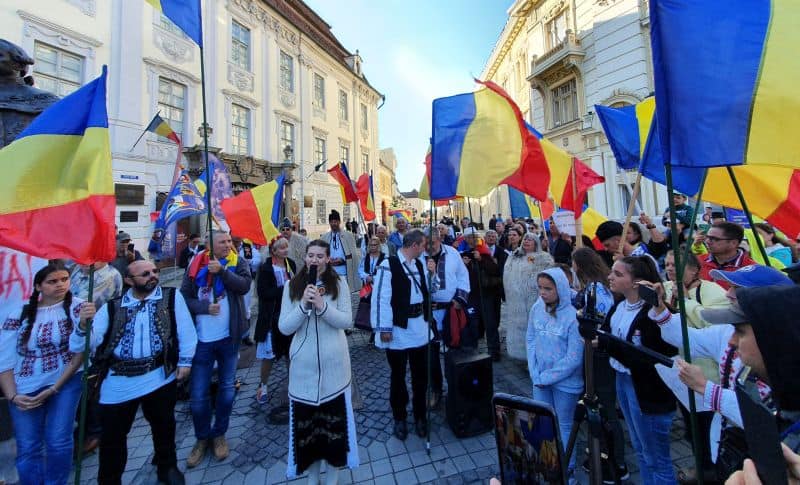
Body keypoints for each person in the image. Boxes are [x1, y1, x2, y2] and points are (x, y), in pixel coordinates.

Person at [648, 264, 793, 483]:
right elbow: (689, 339)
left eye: (736, 288)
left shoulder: (782, 353)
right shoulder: (727, 331)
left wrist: (705, 388)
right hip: (727, 441)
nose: (727, 293)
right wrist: (660, 308)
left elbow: (763, 413)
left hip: (769, 455)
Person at [70, 260, 197, 485]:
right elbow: (84, 344)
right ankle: (110, 479)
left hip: (159, 375)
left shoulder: (170, 297)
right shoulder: (112, 307)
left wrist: (185, 362)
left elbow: (186, 330)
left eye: (155, 272)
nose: (153, 276)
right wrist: (83, 326)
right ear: (129, 280)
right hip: (119, 382)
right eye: (145, 274)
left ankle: (167, 466)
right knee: (113, 438)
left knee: (164, 426)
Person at [0, 263, 88, 485]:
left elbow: (84, 349)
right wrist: (12, 395)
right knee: (28, 445)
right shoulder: (19, 313)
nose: (60, 285)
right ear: (38, 286)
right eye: (52, 281)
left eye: (64, 279)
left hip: (65, 380)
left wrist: (85, 326)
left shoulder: (79, 308)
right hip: (25, 385)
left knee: (58, 440)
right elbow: (5, 357)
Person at [278, 239, 358, 482]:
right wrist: (303, 305)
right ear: (305, 258)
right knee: (309, 435)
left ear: (327, 259)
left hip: (335, 369)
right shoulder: (292, 286)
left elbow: (346, 321)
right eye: (310, 255)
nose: (314, 260)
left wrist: (322, 307)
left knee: (334, 433)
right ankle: (313, 478)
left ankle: (332, 478)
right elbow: (284, 327)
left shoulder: (339, 283)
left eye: (319, 256)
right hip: (304, 371)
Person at [596, 256, 678, 485]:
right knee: (641, 447)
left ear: (637, 283)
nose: (610, 277)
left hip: (648, 390)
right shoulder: (620, 304)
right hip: (623, 379)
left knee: (656, 457)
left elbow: (646, 358)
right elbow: (606, 334)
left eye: (618, 274)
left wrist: (607, 343)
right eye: (612, 272)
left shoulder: (655, 314)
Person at [181, 231, 252, 468]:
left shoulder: (236, 261)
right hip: (201, 341)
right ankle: (202, 438)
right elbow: (184, 298)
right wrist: (203, 307)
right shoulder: (195, 263)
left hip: (228, 338)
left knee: (227, 389)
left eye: (230, 241)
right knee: (198, 395)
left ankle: (220, 433)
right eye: (223, 242)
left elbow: (244, 285)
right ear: (210, 244)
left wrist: (221, 272)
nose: (228, 245)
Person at [661, 251, 728, 484]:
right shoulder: (667, 288)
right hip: (681, 373)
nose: (670, 270)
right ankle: (699, 465)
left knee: (709, 428)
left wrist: (686, 301)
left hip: (709, 376)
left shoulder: (713, 291)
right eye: (668, 265)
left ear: (693, 270)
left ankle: (714, 470)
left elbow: (711, 322)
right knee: (691, 427)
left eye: (676, 265)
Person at [571, 247, 630, 482]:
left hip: (599, 353)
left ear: (581, 265)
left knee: (603, 407)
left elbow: (597, 320)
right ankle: (601, 454)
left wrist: (579, 313)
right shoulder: (595, 287)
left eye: (574, 263)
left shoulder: (596, 290)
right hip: (596, 351)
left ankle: (615, 462)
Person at [371, 229, 433, 440]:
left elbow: (429, 291)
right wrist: (384, 328)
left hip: (419, 328)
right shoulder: (388, 265)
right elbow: (381, 298)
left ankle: (420, 416)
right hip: (398, 329)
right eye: (423, 245)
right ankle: (399, 416)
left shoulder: (420, 264)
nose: (425, 249)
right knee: (397, 377)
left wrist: (432, 275)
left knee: (420, 377)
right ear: (414, 245)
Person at [527, 267, 583, 482]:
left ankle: (566, 471)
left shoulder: (572, 316)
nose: (543, 293)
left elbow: (574, 358)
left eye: (548, 288)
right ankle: (547, 465)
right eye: (540, 287)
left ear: (560, 288)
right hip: (540, 378)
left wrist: (546, 376)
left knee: (564, 426)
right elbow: (530, 338)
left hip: (565, 383)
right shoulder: (537, 308)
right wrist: (534, 371)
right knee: (542, 422)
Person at [68, 261, 123, 454]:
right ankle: (84, 428)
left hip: (97, 340)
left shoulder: (108, 275)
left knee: (90, 390)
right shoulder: (77, 271)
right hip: (75, 339)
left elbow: (84, 304)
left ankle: (94, 432)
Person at [425, 230, 469, 406]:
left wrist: (460, 299)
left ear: (440, 240)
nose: (429, 247)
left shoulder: (452, 253)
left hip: (450, 310)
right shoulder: (420, 257)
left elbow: (462, 277)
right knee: (431, 355)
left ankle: (456, 388)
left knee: (454, 352)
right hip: (429, 313)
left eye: (432, 243)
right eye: (426, 244)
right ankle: (435, 389)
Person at [254, 237, 296, 405]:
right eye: (282, 248)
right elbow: (264, 293)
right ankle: (263, 385)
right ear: (274, 251)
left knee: (290, 353)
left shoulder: (290, 264)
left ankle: (293, 383)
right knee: (269, 356)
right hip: (271, 316)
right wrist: (285, 289)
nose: (286, 250)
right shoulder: (265, 269)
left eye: (286, 247)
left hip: (288, 314)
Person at [503, 232, 554, 361]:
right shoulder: (514, 256)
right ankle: (521, 354)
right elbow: (507, 273)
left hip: (535, 300)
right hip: (516, 302)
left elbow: (547, 276)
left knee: (534, 327)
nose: (526, 242)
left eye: (530, 240)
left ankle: (536, 357)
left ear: (536, 243)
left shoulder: (543, 257)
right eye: (525, 239)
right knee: (519, 328)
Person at [460, 227, 504, 360]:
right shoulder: (463, 254)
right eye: (470, 237)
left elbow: (495, 270)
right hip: (472, 294)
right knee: (472, 323)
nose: (473, 240)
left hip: (487, 293)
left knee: (490, 323)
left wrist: (481, 260)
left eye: (475, 237)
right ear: (466, 239)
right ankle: (471, 349)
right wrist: (464, 264)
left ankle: (494, 351)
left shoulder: (485, 252)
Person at [698, 222, 757, 288]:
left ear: (733, 243)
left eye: (714, 239)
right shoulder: (697, 261)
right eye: (707, 237)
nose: (707, 241)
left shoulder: (751, 269)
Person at [321, 210, 362, 293]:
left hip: (344, 273)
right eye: (331, 222)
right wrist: (329, 261)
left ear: (339, 222)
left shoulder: (348, 236)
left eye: (335, 221)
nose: (334, 224)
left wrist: (342, 260)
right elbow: (322, 253)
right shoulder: (324, 237)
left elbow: (353, 254)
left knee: (345, 296)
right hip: (330, 273)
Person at [232, 236, 261, 346]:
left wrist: (250, 261)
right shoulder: (227, 247)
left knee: (245, 307)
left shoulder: (247, 248)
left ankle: (245, 335)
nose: (237, 238)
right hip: (229, 281)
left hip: (244, 280)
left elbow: (257, 260)